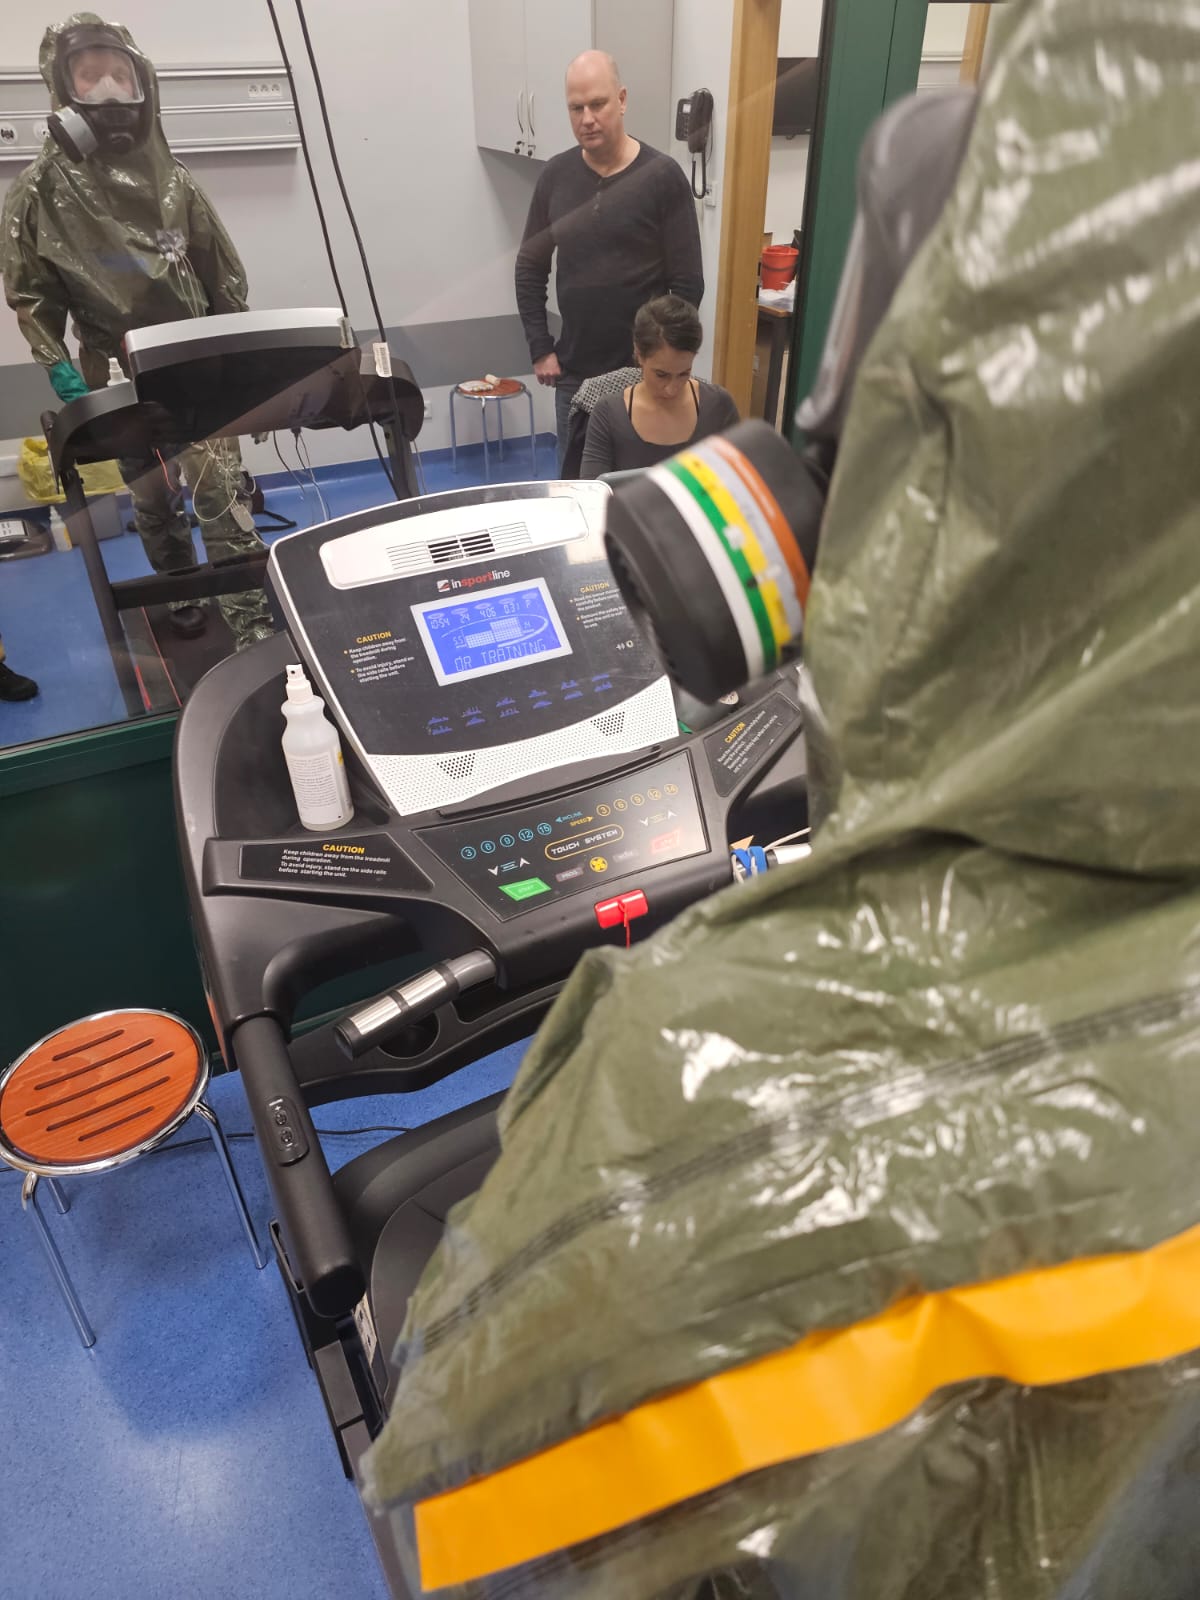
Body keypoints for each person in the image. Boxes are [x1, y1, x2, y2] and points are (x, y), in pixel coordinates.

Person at [0, 14, 272, 650]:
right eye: (89, 76)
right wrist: (59, 365)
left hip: (195, 361)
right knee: (151, 493)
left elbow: (223, 278)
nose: (107, 91)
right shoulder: (39, 192)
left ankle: (251, 619)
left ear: (142, 84)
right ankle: (180, 589)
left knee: (219, 491)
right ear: (61, 87)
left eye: (119, 75)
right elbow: (32, 294)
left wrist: (242, 364)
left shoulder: (174, 182)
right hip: (113, 368)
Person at [515, 50, 704, 466]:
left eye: (597, 104)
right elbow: (530, 266)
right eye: (576, 108)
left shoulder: (662, 177)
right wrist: (540, 347)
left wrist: (660, 364)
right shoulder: (555, 177)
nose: (587, 118)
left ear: (621, 100)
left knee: (640, 486)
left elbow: (688, 283)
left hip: (643, 377)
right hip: (574, 372)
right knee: (576, 486)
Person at [580, 295, 739, 477]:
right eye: (661, 375)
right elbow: (593, 489)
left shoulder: (718, 406)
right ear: (639, 354)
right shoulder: (608, 414)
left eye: (684, 374)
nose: (672, 389)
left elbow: (739, 481)